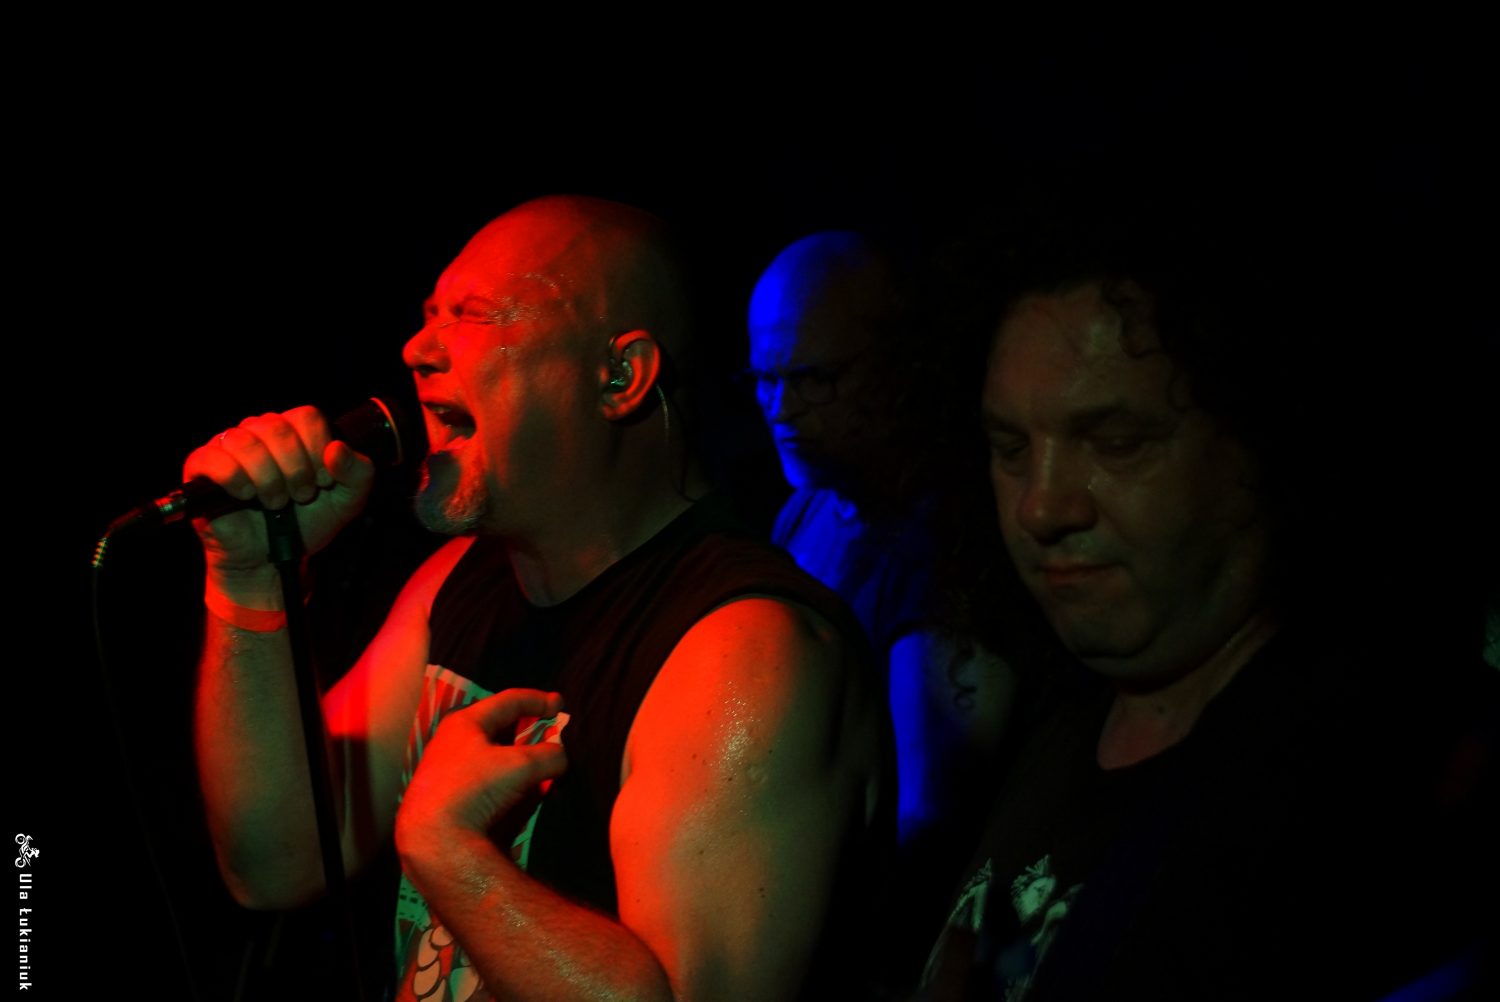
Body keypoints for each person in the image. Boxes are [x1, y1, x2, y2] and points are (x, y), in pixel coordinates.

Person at [185, 194, 889, 1000]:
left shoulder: (748, 655)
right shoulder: (459, 580)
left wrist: (453, 855)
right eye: (428, 316)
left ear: (619, 376)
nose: (416, 349)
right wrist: (248, 581)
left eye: (473, 316)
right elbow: (277, 859)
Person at [918, 202, 1498, 1000]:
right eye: (1010, 448)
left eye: (1117, 443)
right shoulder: (1064, 722)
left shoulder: (1380, 773)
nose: (1040, 506)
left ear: (1260, 445)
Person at [746, 230, 1021, 989]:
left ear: (898, 367)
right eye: (764, 378)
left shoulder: (937, 545)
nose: (782, 407)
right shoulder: (808, 508)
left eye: (816, 379)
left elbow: (929, 819)